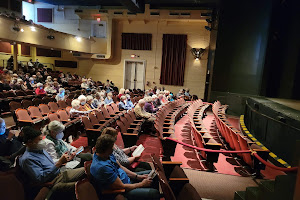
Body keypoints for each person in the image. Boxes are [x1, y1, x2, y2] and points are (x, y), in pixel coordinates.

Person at [19, 126, 85, 200]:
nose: (43, 141)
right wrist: (59, 163)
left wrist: (63, 159)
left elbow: (51, 164)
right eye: (40, 140)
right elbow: (41, 178)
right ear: (30, 142)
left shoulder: (40, 149)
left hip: (60, 174)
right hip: (52, 183)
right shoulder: (27, 159)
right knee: (83, 185)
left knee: (87, 170)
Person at [90, 134, 160, 200]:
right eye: (111, 147)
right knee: (154, 194)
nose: (113, 149)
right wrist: (141, 184)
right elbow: (122, 186)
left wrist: (137, 176)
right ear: (106, 149)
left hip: (127, 180)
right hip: (123, 190)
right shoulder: (102, 167)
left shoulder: (107, 155)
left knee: (154, 175)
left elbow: (120, 167)